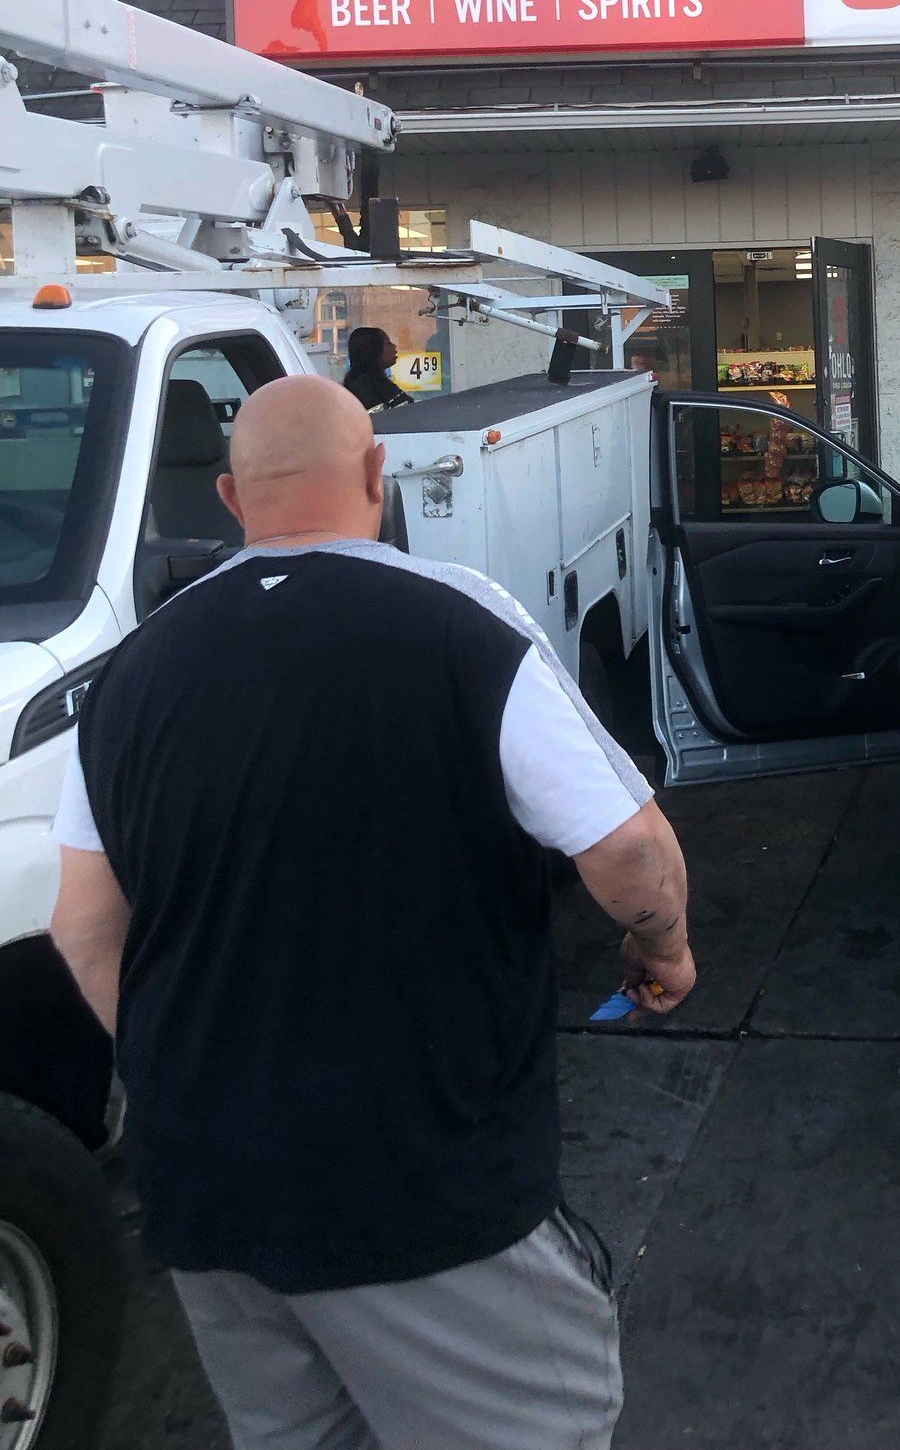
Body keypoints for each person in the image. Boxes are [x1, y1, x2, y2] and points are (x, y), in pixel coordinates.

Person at [49, 376, 693, 1450]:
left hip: (208, 1198)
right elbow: (629, 849)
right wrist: (660, 943)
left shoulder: (128, 673)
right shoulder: (462, 625)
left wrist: (200, 1071)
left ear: (228, 496)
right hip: (416, 1189)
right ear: (376, 477)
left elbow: (82, 925)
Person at [342, 325, 411, 411]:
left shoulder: (358, 384)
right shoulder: (368, 389)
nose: (394, 347)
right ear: (374, 350)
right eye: (387, 344)